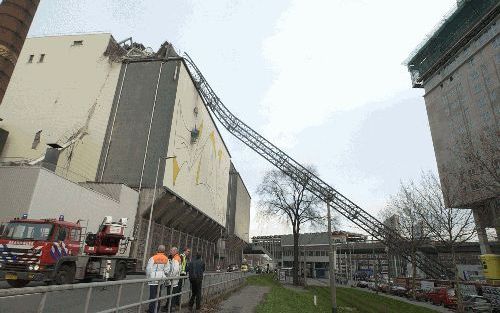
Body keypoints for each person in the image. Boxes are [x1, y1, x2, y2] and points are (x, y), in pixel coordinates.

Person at [146, 245, 169, 313]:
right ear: (164, 251)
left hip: (153, 278)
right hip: (161, 278)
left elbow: (148, 269)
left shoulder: (153, 258)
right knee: (158, 294)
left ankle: (152, 310)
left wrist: (148, 277)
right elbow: (167, 270)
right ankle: (157, 309)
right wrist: (163, 274)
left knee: (152, 295)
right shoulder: (166, 259)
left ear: (157, 250)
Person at [163, 247, 181, 312]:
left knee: (171, 295)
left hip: (173, 281)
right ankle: (169, 308)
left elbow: (175, 270)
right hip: (175, 281)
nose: (170, 252)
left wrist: (170, 278)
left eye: (171, 251)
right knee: (172, 296)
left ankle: (169, 309)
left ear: (175, 251)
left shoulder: (176, 259)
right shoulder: (175, 258)